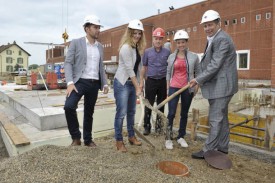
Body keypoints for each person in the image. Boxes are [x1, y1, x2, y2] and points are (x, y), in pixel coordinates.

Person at [190, 10, 238, 158]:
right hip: (220, 85)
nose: (207, 28)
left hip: (222, 86)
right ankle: (223, 147)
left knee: (215, 119)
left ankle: (207, 150)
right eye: (205, 26)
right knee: (221, 117)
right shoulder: (214, 38)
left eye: (210, 25)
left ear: (218, 23)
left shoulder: (221, 39)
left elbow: (215, 65)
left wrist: (198, 79)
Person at [64, 15, 109, 147]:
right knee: (69, 106)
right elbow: (68, 63)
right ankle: (76, 137)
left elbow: (101, 66)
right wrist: (70, 83)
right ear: (87, 28)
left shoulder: (100, 47)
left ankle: (88, 140)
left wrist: (104, 82)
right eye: (95, 27)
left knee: (89, 112)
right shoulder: (76, 43)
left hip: (94, 83)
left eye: (99, 27)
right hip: (79, 82)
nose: (98, 30)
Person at [113, 19, 146, 152]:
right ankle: (119, 141)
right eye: (135, 33)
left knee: (131, 112)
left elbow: (140, 67)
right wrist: (137, 86)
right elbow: (129, 69)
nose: (137, 36)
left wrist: (141, 82)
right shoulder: (126, 48)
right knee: (121, 113)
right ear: (129, 33)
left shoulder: (137, 47)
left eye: (139, 33)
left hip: (132, 83)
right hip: (122, 83)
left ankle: (131, 137)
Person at [165, 30, 200, 150]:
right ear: (176, 43)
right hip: (174, 87)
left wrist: (196, 87)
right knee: (171, 113)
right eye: (178, 42)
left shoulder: (194, 57)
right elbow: (168, 72)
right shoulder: (171, 57)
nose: (181, 45)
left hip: (187, 88)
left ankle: (181, 136)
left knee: (184, 113)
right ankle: (168, 138)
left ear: (186, 42)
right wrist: (167, 86)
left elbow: (198, 73)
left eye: (183, 42)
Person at [140, 27, 170, 136]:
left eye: (160, 39)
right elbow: (144, 68)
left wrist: (168, 84)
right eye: (156, 38)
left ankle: (159, 127)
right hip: (151, 81)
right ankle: (147, 127)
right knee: (149, 104)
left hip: (162, 82)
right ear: (153, 39)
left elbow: (169, 69)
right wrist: (141, 82)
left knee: (161, 104)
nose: (158, 41)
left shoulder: (167, 52)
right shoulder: (147, 52)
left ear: (163, 40)